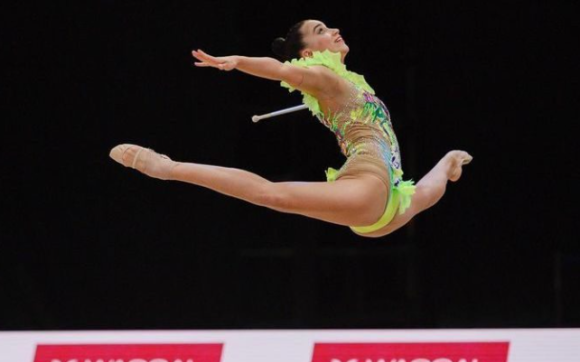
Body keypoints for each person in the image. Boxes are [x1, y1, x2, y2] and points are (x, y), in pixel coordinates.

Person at [109, 19, 472, 238]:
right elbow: (282, 70)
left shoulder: (346, 81)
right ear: (308, 54)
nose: (334, 30)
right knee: (272, 195)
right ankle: (167, 167)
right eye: (321, 31)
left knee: (424, 195)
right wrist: (238, 62)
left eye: (328, 27)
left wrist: (446, 163)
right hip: (368, 183)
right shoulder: (322, 77)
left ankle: (447, 161)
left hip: (386, 197)